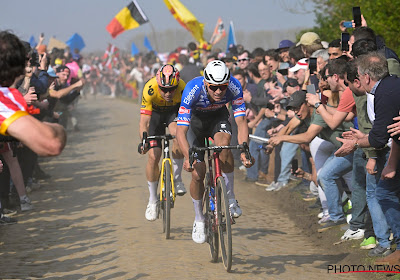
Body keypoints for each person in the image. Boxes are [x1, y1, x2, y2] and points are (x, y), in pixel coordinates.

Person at [176, 60, 254, 244]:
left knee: (225, 146)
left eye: (222, 87)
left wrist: (244, 150)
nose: (219, 91)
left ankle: (230, 197)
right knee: (197, 173)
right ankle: (199, 219)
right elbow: (181, 132)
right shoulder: (192, 89)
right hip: (195, 124)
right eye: (213, 87)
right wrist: (188, 157)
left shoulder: (234, 86)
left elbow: (242, 122)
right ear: (205, 83)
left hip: (218, 119)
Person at [138, 64, 187, 222]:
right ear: (158, 85)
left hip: (173, 113)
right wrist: (144, 141)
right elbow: (144, 122)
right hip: (156, 117)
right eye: (163, 89)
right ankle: (152, 200)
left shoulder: (183, 88)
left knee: (178, 136)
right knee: (153, 156)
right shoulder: (149, 88)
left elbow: (185, 119)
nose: (167, 93)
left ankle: (177, 179)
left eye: (171, 89)